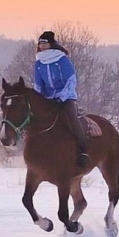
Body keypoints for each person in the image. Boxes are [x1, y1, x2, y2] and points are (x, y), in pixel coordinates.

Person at [33, 31, 89, 167]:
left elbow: (71, 80)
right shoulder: (39, 63)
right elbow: (38, 84)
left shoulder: (62, 59)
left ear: (51, 44)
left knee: (72, 118)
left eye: (44, 42)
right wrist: (37, 100)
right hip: (47, 99)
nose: (41, 45)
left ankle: (83, 151)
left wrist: (61, 97)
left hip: (66, 98)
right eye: (39, 43)